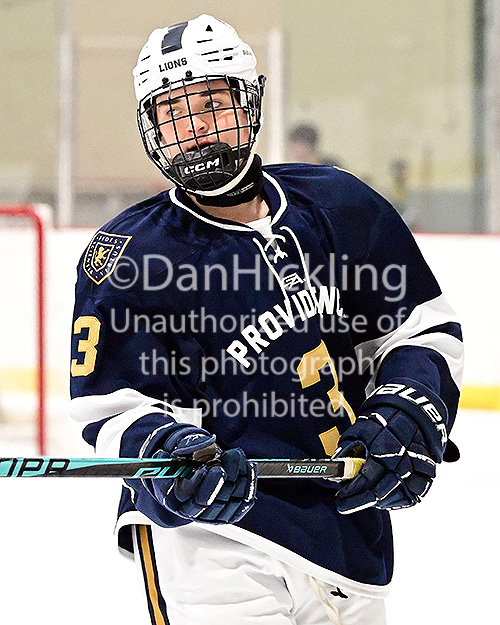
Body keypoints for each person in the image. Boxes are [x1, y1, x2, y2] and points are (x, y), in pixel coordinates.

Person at [69, 14, 463, 625]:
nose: (195, 129)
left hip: (347, 527)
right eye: (173, 113)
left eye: (211, 104)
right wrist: (166, 451)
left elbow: (419, 329)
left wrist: (407, 413)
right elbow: (110, 407)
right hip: (214, 539)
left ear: (250, 102)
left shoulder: (339, 204)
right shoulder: (127, 256)